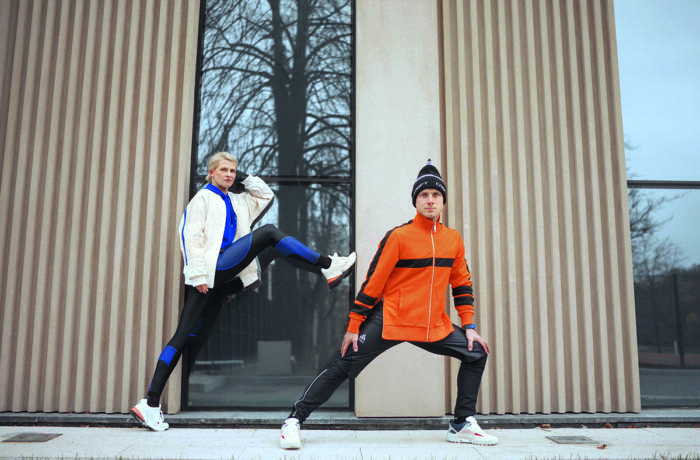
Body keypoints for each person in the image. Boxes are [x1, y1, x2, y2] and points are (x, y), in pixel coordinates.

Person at [279, 160, 498, 449]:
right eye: (424, 195)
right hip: (390, 320)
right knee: (342, 364)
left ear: (443, 201)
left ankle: (460, 424)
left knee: (476, 353)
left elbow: (462, 284)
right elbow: (373, 283)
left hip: (433, 325)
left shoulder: (453, 240)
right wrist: (354, 325)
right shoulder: (399, 236)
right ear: (415, 201)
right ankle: (293, 421)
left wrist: (468, 326)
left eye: (435, 195)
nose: (430, 200)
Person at [130, 152, 356, 431]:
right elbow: (190, 238)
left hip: (224, 279)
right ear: (210, 173)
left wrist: (245, 177)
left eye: (233, 170)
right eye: (223, 170)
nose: (229, 174)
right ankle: (327, 265)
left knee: (190, 336)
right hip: (211, 271)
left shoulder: (239, 201)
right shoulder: (202, 199)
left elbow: (265, 194)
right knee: (270, 233)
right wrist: (199, 275)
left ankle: (150, 403)